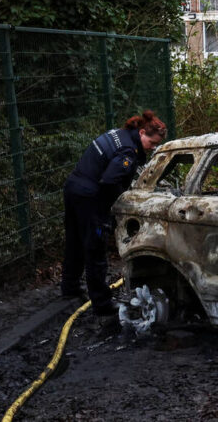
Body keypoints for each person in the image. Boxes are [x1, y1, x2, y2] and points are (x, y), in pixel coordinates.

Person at [61, 110, 167, 315]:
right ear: (142, 132)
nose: (152, 147)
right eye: (152, 143)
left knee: (74, 240)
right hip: (89, 197)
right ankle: (102, 305)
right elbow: (110, 181)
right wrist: (119, 206)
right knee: (95, 248)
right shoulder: (128, 151)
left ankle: (69, 288)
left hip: (73, 187)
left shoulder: (119, 134)